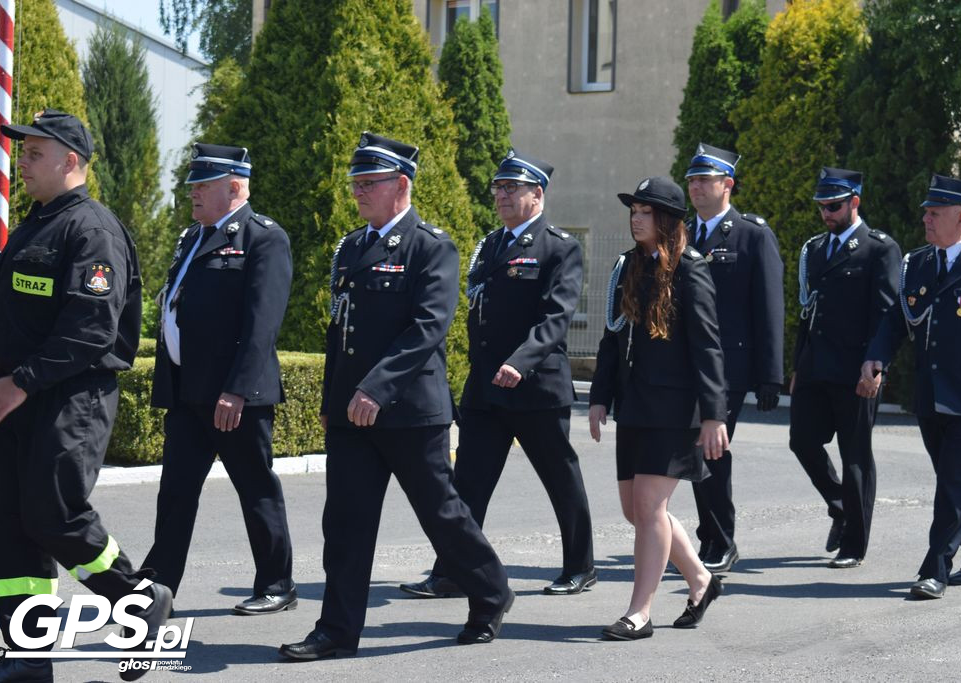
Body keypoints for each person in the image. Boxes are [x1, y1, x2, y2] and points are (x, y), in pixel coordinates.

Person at [279, 132, 513, 661]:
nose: (358, 191)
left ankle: (491, 593)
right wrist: (331, 396)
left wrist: (374, 388)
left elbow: (427, 328)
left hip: (409, 412)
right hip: (352, 413)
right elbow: (341, 329)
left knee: (442, 515)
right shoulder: (352, 247)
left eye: (369, 182)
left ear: (401, 185)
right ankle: (336, 631)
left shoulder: (432, 246)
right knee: (345, 523)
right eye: (356, 182)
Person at [0, 110, 171, 682]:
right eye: (22, 151)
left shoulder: (91, 230)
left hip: (69, 396)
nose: (22, 161)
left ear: (71, 161)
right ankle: (26, 652)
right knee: (11, 524)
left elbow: (92, 329)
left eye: (34, 152)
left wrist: (20, 382)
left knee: (52, 511)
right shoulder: (33, 224)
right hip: (18, 399)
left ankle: (137, 599)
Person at [399, 150, 595, 599]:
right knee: (466, 486)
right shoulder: (491, 245)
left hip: (536, 387)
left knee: (561, 480)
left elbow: (556, 317)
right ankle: (451, 571)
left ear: (537, 194)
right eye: (498, 188)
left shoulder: (560, 246)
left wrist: (520, 362)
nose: (502, 196)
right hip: (487, 390)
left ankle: (580, 566)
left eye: (512, 188)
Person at [141, 144, 296, 615]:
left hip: (233, 396)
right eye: (192, 185)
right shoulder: (193, 236)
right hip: (189, 392)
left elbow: (262, 323)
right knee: (176, 493)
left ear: (233, 187)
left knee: (255, 489)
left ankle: (277, 583)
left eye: (202, 185)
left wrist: (238, 390)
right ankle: (156, 588)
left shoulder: (262, 237)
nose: (192, 193)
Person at [861, 174, 961, 599]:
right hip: (931, 392)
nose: (926, 219)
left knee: (954, 483)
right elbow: (896, 319)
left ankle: (936, 568)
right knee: (956, 481)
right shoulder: (919, 263)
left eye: (935, 213)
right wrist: (876, 358)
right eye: (927, 212)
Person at [589, 176, 727, 640]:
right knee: (636, 510)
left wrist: (714, 415)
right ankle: (702, 580)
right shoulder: (628, 264)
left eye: (645, 212)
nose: (636, 218)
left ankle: (639, 611)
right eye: (633, 211)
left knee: (649, 507)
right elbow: (613, 336)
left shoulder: (691, 269)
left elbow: (708, 346)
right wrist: (598, 397)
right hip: (635, 405)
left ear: (666, 219)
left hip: (675, 409)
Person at [788, 167, 901, 570]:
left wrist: (876, 366)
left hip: (857, 369)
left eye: (833, 206)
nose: (826, 214)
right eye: (821, 206)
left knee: (855, 458)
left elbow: (886, 314)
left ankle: (854, 543)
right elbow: (808, 311)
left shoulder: (879, 249)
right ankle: (840, 507)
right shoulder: (816, 249)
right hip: (816, 365)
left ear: (855, 201)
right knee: (801, 441)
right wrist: (798, 364)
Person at [684, 143, 784, 572]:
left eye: (704, 180)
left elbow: (769, 307)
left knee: (711, 448)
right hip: (686, 363)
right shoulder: (683, 232)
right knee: (694, 449)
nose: (696, 187)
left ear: (728, 184)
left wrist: (770, 375)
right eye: (691, 180)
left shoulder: (752, 234)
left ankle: (721, 539)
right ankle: (710, 534)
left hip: (729, 366)